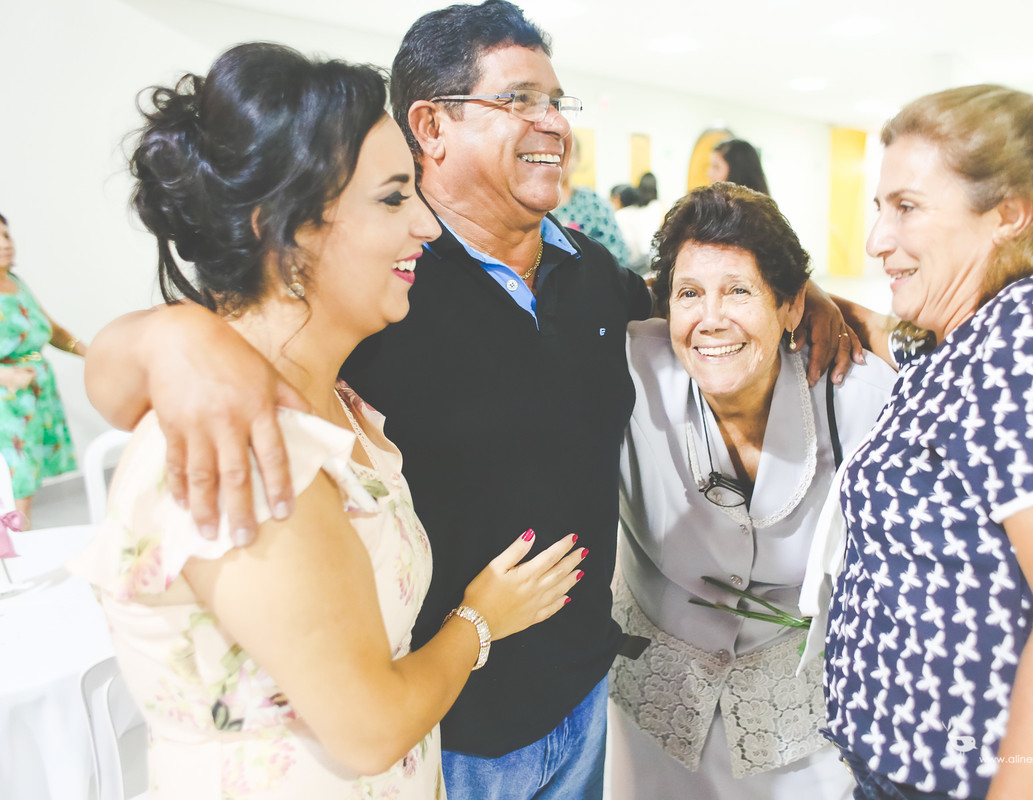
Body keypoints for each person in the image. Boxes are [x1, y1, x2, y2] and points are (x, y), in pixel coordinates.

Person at [83, 3, 861, 797]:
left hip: (579, 696)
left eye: (556, 101)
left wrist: (803, 300)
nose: (553, 123)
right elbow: (156, 365)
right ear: (431, 126)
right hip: (446, 731)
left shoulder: (592, 274)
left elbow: (702, 310)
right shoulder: (376, 291)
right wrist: (174, 335)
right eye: (520, 99)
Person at [73, 42, 583, 798]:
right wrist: (478, 621)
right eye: (393, 199)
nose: (427, 226)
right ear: (285, 230)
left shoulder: (333, 394)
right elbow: (370, 727)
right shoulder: (245, 439)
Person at [822, 85, 1033, 800]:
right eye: (880, 207)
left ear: (1010, 214)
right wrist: (816, 300)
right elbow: (903, 351)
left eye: (907, 207)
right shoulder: (964, 341)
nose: (876, 239)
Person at [608, 183, 897, 799]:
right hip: (653, 713)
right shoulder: (627, 370)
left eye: (739, 291)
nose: (711, 319)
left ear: (792, 306)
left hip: (797, 728)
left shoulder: (861, 400)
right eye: (690, 294)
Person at [0, 211, 86, 524]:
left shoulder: (15, 283)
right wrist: (7, 375)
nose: (5, 244)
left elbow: (50, 330)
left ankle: (19, 544)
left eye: (6, 235)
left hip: (34, 395)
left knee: (27, 479)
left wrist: (93, 353)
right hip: (7, 400)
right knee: (17, 481)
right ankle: (16, 549)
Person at [554, 145, 633, 269]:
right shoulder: (528, 205)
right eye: (555, 154)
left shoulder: (592, 203)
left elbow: (618, 252)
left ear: (577, 159)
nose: (561, 160)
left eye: (568, 154)